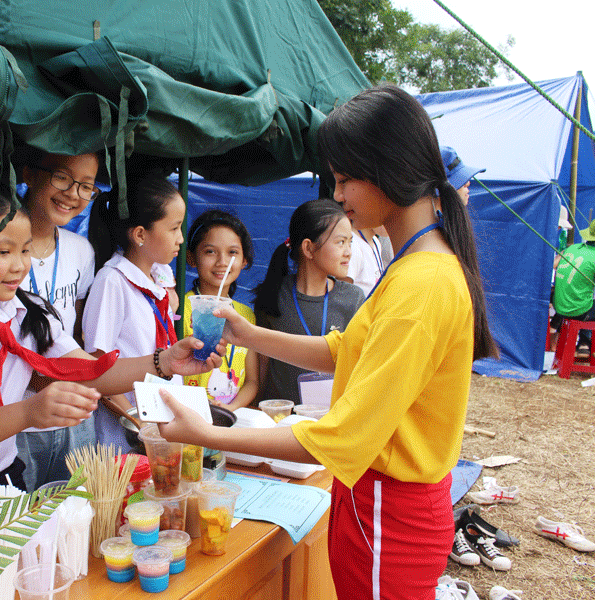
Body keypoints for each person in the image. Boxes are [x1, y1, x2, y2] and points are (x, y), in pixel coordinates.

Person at [157, 84, 498, 600]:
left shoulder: (423, 283)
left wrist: (206, 434)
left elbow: (340, 438)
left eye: (344, 179)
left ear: (388, 168)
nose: (337, 195)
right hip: (374, 505)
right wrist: (249, 334)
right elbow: (344, 351)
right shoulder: (411, 267)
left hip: (391, 516)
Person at [0, 180, 220, 490]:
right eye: (3, 252)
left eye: (25, 251)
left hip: (7, 478)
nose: (19, 266)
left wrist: (165, 361)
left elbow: (90, 373)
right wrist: (27, 412)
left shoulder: (29, 311)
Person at [15, 150, 101, 489]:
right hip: (17, 419)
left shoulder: (81, 250)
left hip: (74, 416)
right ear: (29, 174)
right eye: (62, 178)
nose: (73, 194)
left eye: (86, 186)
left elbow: (76, 331)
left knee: (79, 517)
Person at [84, 175, 186, 450]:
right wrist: (139, 425)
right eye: (174, 228)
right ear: (140, 234)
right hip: (127, 441)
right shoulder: (112, 282)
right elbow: (96, 370)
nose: (181, 239)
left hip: (164, 431)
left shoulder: (159, 276)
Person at [252, 199, 363, 404]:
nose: (348, 252)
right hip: (281, 421)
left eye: (350, 242)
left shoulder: (353, 299)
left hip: (331, 422)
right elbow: (261, 369)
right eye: (340, 242)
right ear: (309, 248)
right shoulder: (274, 295)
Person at [182, 210, 259, 409]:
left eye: (232, 252)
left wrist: (229, 409)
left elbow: (252, 382)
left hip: (229, 424)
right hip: (187, 420)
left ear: (244, 260)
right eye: (210, 251)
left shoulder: (247, 315)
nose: (222, 261)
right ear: (191, 257)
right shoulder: (180, 309)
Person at [551, 221, 595, 354]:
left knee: (585, 296)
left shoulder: (571, 249)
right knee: (588, 302)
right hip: (577, 310)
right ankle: (585, 343)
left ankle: (583, 342)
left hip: (559, 306)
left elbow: (554, 265)